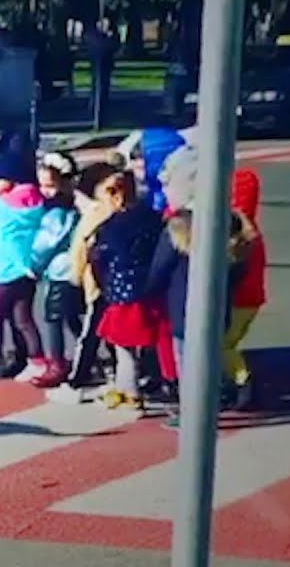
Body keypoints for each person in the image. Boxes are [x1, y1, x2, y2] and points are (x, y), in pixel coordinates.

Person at [145, 159, 255, 427]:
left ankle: (193, 416)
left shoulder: (179, 226)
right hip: (219, 305)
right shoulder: (229, 220)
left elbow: (160, 267)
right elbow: (241, 266)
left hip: (185, 308)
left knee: (188, 363)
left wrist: (150, 293)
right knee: (211, 358)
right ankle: (213, 404)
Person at [89, 169, 166, 412]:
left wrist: (101, 282)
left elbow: (101, 259)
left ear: (114, 196)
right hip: (150, 289)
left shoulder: (112, 227)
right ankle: (133, 385)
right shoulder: (152, 218)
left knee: (124, 346)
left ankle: (131, 391)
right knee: (147, 342)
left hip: (122, 293)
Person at [45, 160, 121, 404]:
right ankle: (119, 374)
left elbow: (79, 251)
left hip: (96, 283)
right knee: (113, 334)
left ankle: (77, 381)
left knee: (89, 335)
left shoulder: (93, 216)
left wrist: (76, 277)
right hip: (119, 282)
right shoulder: (119, 210)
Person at [0, 132, 46, 380]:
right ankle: (36, 359)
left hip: (1, 273)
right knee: (24, 319)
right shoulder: (36, 204)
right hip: (26, 271)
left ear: (10, 181)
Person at [29, 151, 82, 388]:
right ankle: (86, 357)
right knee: (73, 317)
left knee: (54, 317)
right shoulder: (75, 206)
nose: (45, 191)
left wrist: (34, 264)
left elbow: (47, 244)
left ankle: (57, 363)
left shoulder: (57, 212)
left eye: (49, 185)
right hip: (74, 268)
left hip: (60, 270)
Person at [227, 169, 267, 410]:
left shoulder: (235, 237)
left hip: (239, 299)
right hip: (252, 298)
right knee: (228, 343)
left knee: (221, 346)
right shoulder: (253, 233)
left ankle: (244, 383)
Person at [86, 17, 120, 127]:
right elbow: (103, 49)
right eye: (105, 24)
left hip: (105, 66)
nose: (107, 27)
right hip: (99, 66)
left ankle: (100, 114)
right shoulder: (95, 37)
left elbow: (115, 47)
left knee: (103, 89)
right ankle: (96, 114)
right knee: (98, 89)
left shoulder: (106, 36)